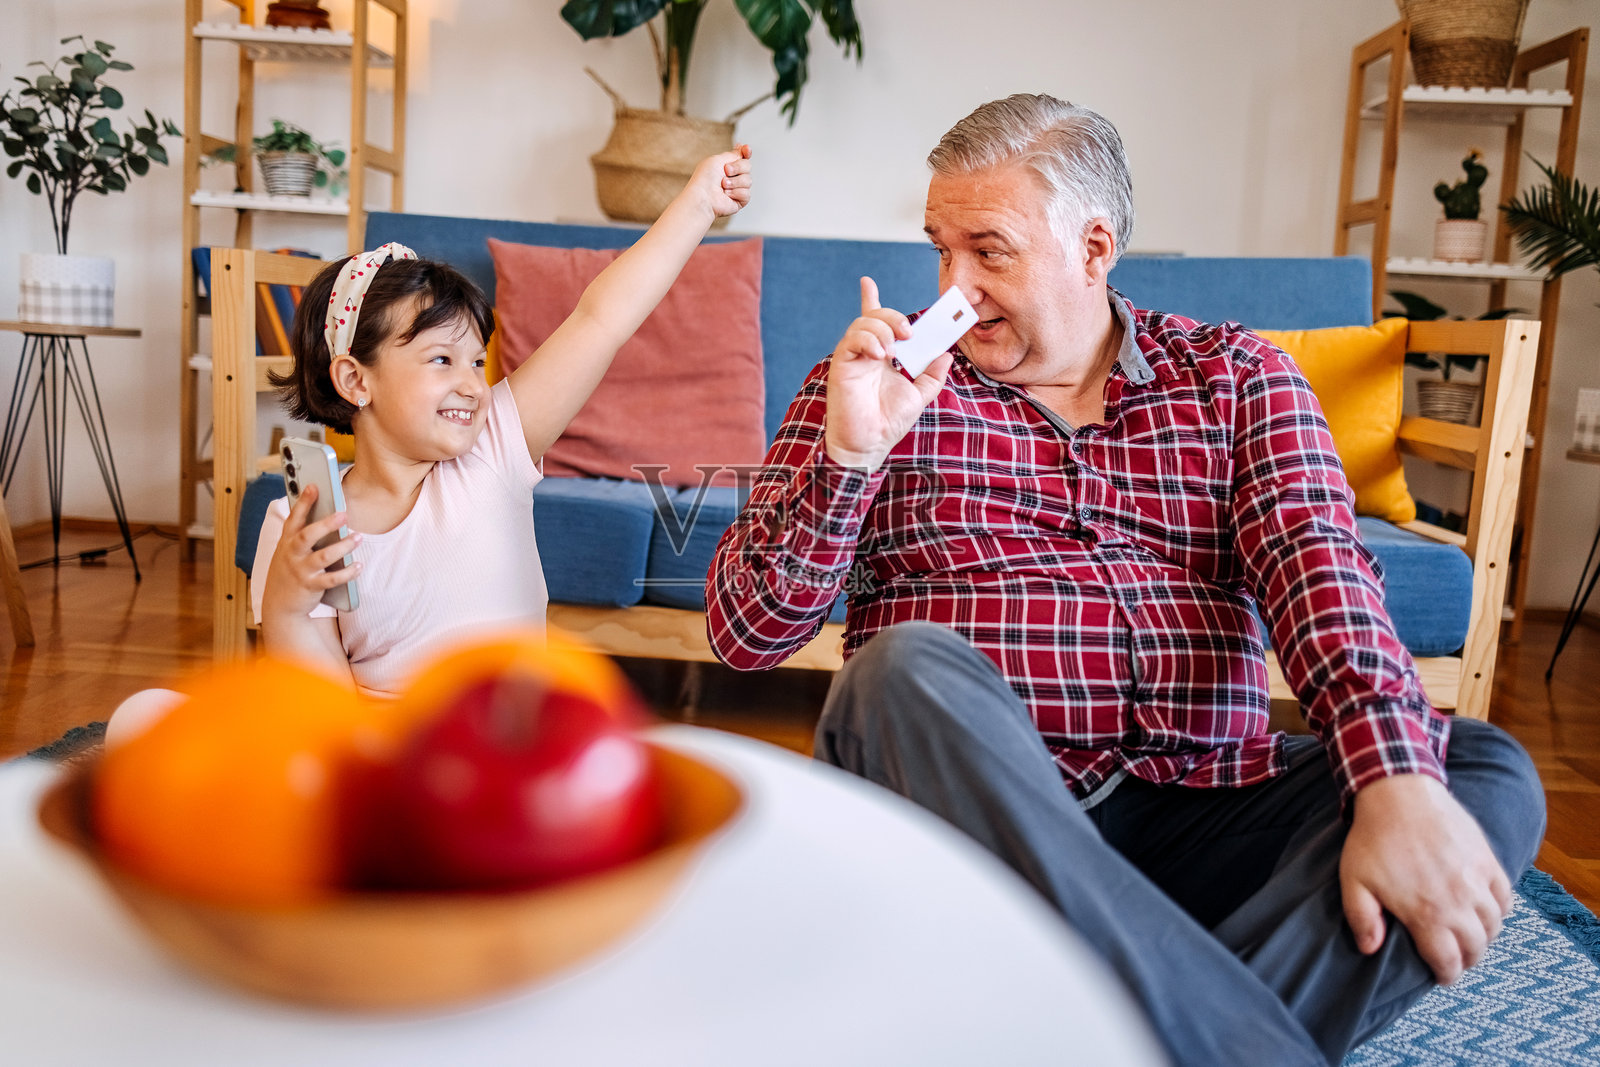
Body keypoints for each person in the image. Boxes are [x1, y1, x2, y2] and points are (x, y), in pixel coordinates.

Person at [705, 95, 1544, 1067]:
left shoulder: (1235, 379)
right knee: (901, 671)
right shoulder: (871, 388)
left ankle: (1106, 1021)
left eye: (988, 250)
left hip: (1200, 804)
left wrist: (1395, 781)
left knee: (1472, 771)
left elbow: (1323, 577)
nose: (953, 287)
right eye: (940, 249)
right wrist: (848, 458)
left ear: (1094, 245)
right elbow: (745, 631)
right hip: (978, 822)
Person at [253, 146, 754, 696]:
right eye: (442, 360)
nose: (473, 384)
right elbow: (321, 713)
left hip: (510, 749)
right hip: (387, 756)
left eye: (476, 360)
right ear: (355, 381)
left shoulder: (493, 449)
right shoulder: (300, 527)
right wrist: (288, 606)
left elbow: (602, 318)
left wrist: (699, 204)